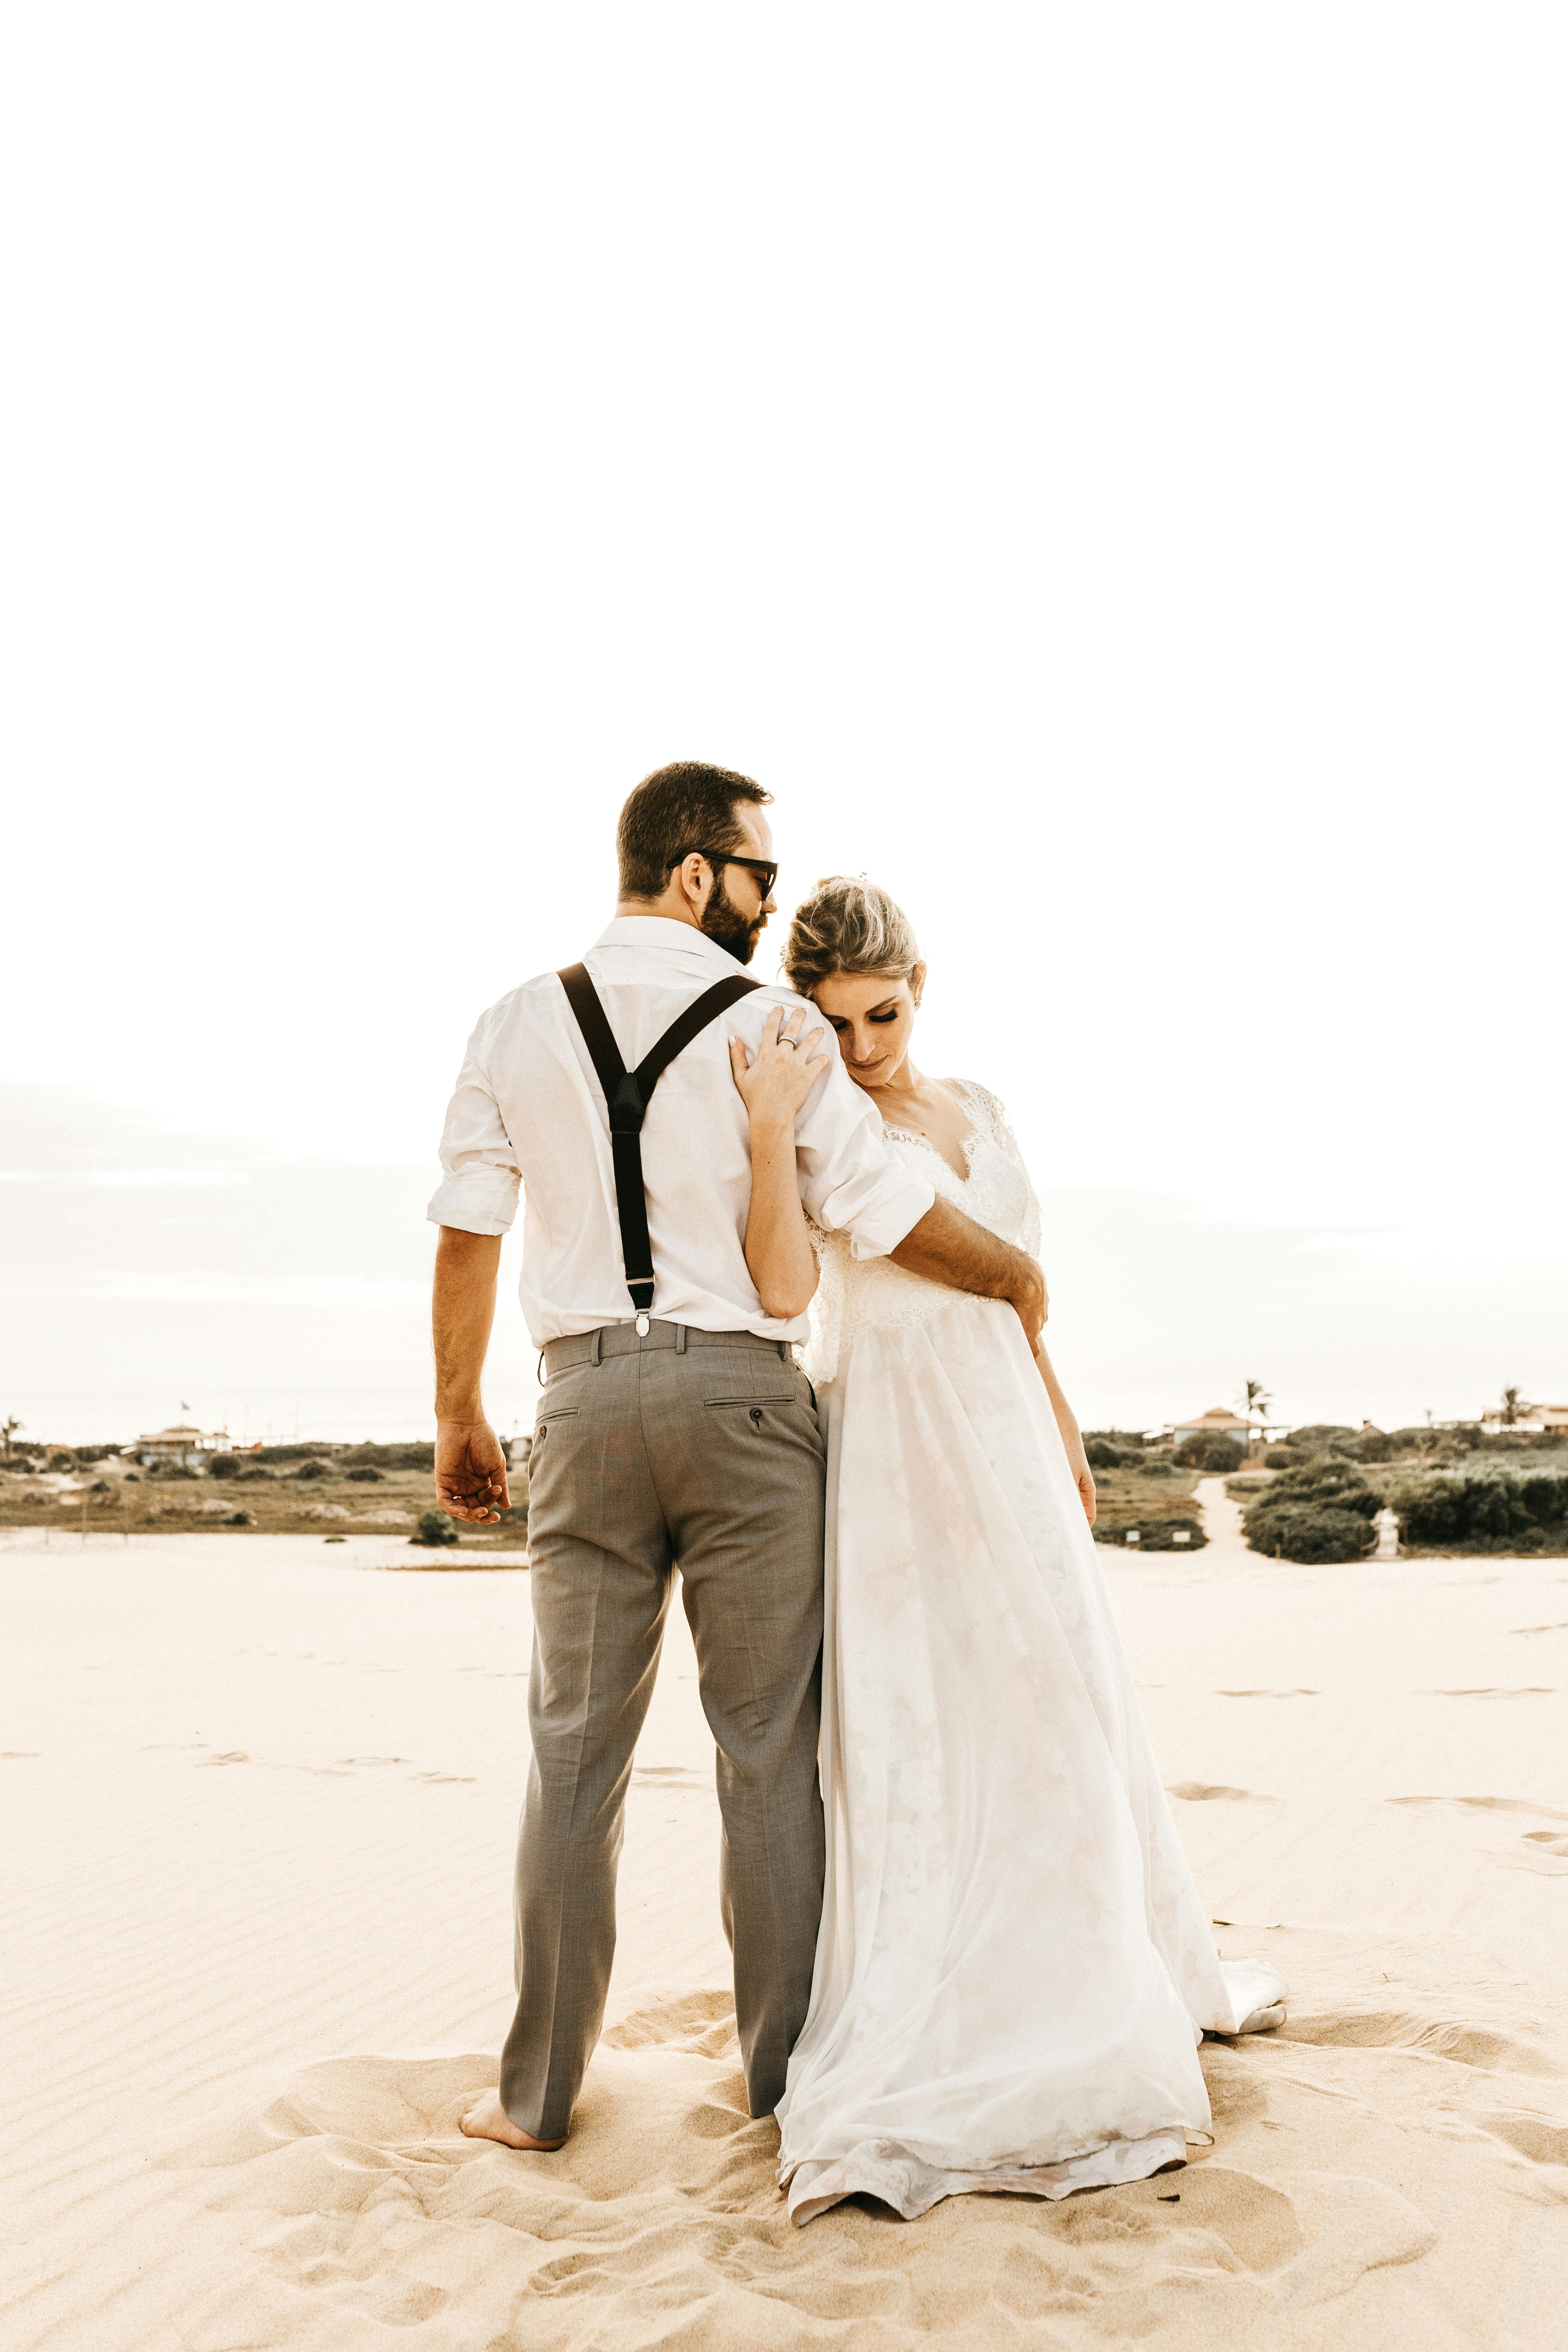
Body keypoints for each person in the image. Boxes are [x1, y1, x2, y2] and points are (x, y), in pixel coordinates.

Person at [427, 764, 1048, 2152]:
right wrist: (1012, 1273)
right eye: (762, 874)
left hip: (582, 1407)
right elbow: (882, 1208)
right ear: (699, 873)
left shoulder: (517, 1022)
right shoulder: (774, 1029)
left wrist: (457, 1412)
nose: (772, 903)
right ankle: (781, 2090)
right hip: (752, 1416)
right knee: (765, 1754)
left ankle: (535, 2100)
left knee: (570, 1758)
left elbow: (470, 1226)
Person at [729, 875, 1287, 2225]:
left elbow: (1019, 1291)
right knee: (938, 1716)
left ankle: (1103, 1963)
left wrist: (1062, 1419)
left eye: (885, 1014)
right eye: (836, 1021)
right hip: (901, 1440)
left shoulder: (981, 1109)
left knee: (1058, 1704)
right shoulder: (817, 1114)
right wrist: (771, 1133)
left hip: (1008, 1423)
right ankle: (961, 2015)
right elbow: (790, 1289)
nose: (862, 1047)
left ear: (922, 988)